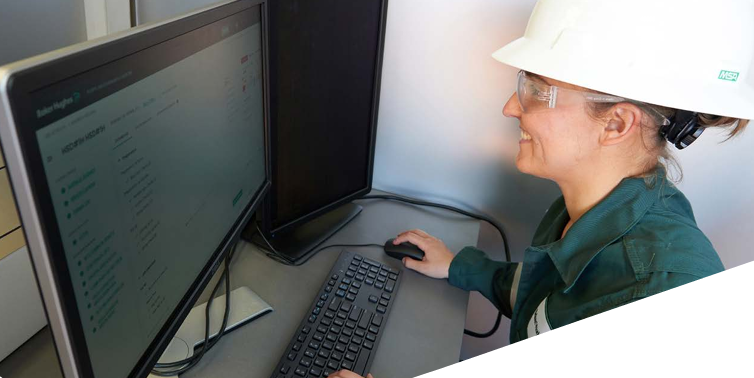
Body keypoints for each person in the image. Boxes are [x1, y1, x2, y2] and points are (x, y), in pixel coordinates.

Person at [328, 0, 754, 377]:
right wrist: (462, 266)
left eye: (535, 90)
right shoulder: (588, 210)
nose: (511, 107)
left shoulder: (664, 298)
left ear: (616, 124)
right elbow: (549, 303)